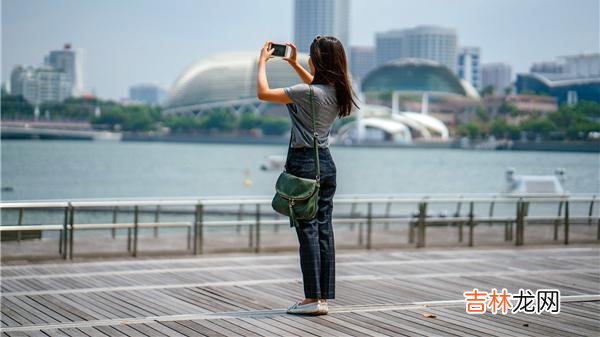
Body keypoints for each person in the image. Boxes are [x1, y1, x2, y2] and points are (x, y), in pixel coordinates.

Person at [256, 35, 358, 315]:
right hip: (326, 164)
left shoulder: (307, 92)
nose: (308, 58)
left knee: (307, 231)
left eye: (311, 55)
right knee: (323, 229)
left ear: (319, 60)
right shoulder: (338, 91)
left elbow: (263, 93)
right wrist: (292, 63)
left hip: (304, 164)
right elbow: (315, 84)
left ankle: (312, 299)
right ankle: (322, 298)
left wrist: (262, 62)